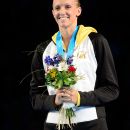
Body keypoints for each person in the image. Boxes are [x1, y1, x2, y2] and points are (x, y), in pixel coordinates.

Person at [30, 0, 119, 130]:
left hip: (90, 123)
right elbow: (34, 98)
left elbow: (111, 90)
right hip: (54, 124)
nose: (62, 12)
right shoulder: (43, 49)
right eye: (57, 8)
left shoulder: (95, 42)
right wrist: (54, 100)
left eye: (67, 6)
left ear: (78, 11)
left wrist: (79, 98)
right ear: (53, 12)